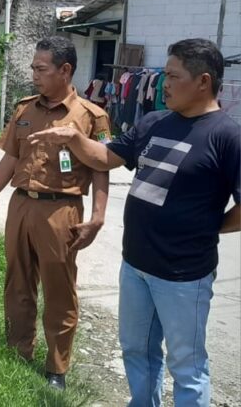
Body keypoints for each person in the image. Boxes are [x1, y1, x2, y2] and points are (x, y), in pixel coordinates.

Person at [26, 38, 240, 406]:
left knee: (186, 364)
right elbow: (107, 157)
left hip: (184, 274)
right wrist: (76, 138)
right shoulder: (155, 122)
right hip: (136, 264)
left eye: (173, 76)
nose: (164, 85)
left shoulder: (227, 136)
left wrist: (211, 226)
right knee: (136, 351)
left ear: (203, 82)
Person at [0, 36, 111, 390]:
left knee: (60, 289)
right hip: (21, 204)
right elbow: (10, 158)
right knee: (17, 283)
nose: (34, 75)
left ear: (65, 70)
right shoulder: (25, 109)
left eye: (41, 69)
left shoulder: (92, 116)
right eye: (33, 68)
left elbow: (100, 166)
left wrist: (98, 215)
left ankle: (56, 369)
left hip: (61, 210)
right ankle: (19, 353)